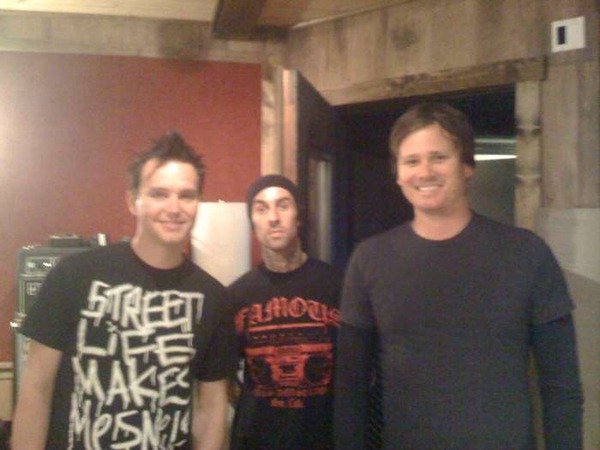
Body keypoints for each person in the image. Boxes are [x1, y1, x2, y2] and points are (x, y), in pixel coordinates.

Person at [334, 103, 583, 449]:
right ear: (398, 174)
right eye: (411, 161)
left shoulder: (527, 255)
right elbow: (351, 389)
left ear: (467, 166)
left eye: (439, 157)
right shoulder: (369, 260)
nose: (425, 172)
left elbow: (561, 388)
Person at [11, 132, 236, 449]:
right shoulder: (74, 275)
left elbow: (211, 409)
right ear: (133, 201)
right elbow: (36, 387)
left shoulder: (213, 298)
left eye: (186, 196)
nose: (174, 208)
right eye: (159, 194)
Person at [228, 174, 341, 449]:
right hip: (256, 440)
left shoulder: (337, 285)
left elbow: (356, 369)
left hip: (324, 439)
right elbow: (222, 376)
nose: (273, 218)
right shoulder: (236, 295)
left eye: (283, 205)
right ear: (252, 222)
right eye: (261, 208)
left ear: (298, 216)